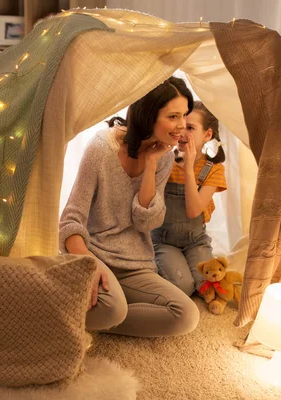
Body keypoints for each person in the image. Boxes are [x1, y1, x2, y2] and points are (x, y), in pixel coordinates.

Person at [59, 76, 200, 337]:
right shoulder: (101, 147)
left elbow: (146, 222)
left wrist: (150, 165)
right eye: (173, 116)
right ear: (148, 117)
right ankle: (102, 310)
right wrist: (90, 263)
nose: (182, 125)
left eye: (184, 115)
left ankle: (100, 313)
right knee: (113, 309)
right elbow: (70, 220)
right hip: (94, 255)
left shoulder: (164, 159)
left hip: (136, 265)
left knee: (186, 316)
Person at [152, 101, 227, 296]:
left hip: (195, 240)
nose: (182, 132)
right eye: (180, 125)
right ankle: (156, 264)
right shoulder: (163, 160)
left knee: (206, 284)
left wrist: (188, 169)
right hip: (164, 239)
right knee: (183, 287)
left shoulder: (214, 169)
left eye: (190, 127)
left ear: (207, 135)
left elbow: (194, 210)